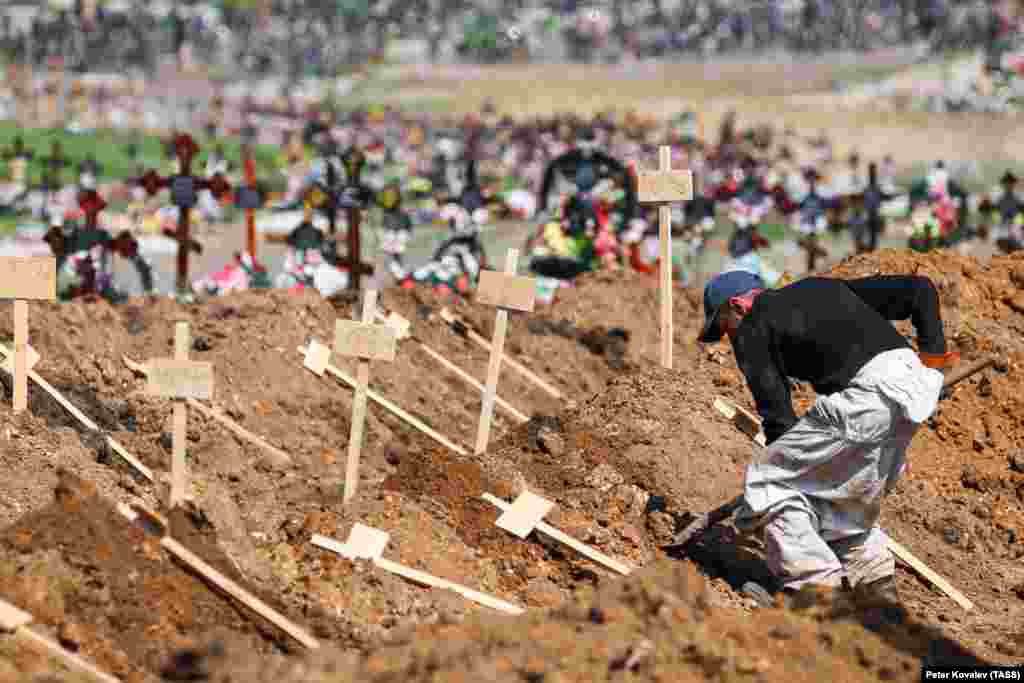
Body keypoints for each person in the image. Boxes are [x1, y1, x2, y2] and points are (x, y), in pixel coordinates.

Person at [697, 269, 959, 605]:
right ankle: (876, 590)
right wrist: (933, 361)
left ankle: (815, 594)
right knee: (840, 495)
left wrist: (789, 468)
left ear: (738, 305)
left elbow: (777, 417)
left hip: (868, 400)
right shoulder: (826, 287)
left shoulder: (751, 327)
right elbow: (919, 289)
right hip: (912, 395)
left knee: (768, 484)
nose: (728, 337)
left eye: (723, 326)